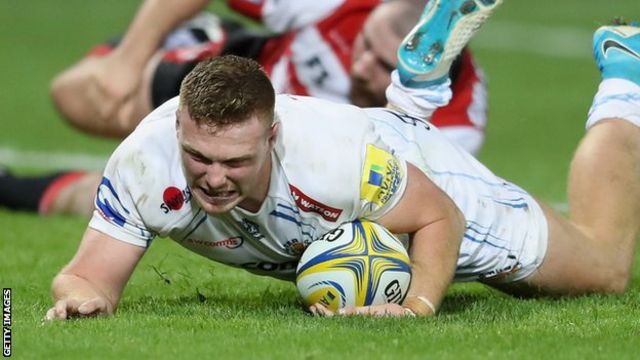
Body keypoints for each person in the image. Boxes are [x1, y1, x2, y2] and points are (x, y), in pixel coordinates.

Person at [45, 0, 640, 320]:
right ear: (177, 127)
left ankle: (626, 73)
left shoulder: (331, 162)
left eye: (236, 161)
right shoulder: (144, 165)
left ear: (272, 137)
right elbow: (88, 273)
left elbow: (441, 220)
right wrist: (80, 296)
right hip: (366, 151)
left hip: (413, 169)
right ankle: (413, 91)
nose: (215, 177)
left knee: (603, 268)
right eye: (199, 157)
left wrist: (417, 306)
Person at [0, 0, 487, 217]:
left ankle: (13, 189)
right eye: (361, 46)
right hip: (228, 90)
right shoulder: (342, 5)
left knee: (140, 193)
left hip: (292, 174)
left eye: (381, 64)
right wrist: (128, 59)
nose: (358, 68)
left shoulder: (456, 122)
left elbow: (414, 205)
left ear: (426, 67)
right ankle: (187, 44)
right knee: (75, 95)